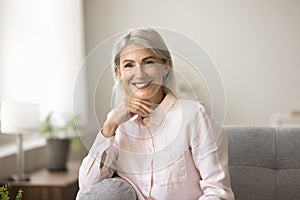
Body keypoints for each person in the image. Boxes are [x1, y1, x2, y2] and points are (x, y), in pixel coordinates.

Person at [77, 28, 235, 200]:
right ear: (119, 73)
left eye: (149, 62)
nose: (140, 74)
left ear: (166, 67)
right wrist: (110, 126)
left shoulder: (194, 116)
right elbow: (87, 187)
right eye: (129, 65)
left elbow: (218, 193)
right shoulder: (116, 124)